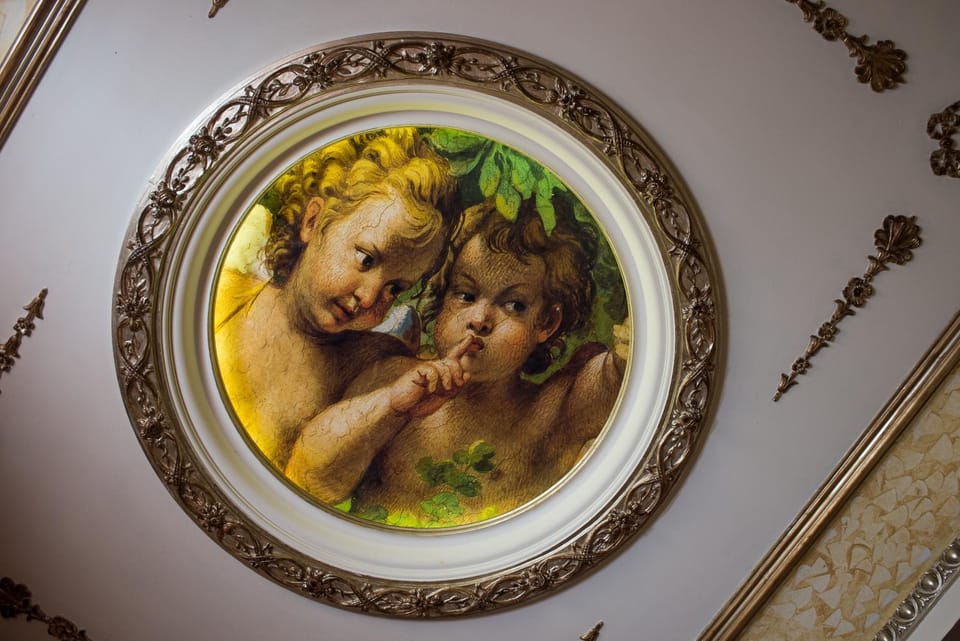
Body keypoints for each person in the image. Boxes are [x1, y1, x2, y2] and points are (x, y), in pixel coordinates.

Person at [284, 200, 627, 525]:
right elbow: (307, 480)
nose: (479, 319)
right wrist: (390, 406)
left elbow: (615, 375)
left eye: (513, 305)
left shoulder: (549, 409)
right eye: (465, 295)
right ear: (443, 297)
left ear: (547, 323)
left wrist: (627, 350)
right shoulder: (393, 377)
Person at [213, 128, 457, 472]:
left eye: (394, 288)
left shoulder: (377, 365)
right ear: (314, 221)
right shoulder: (225, 297)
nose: (369, 297)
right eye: (366, 259)